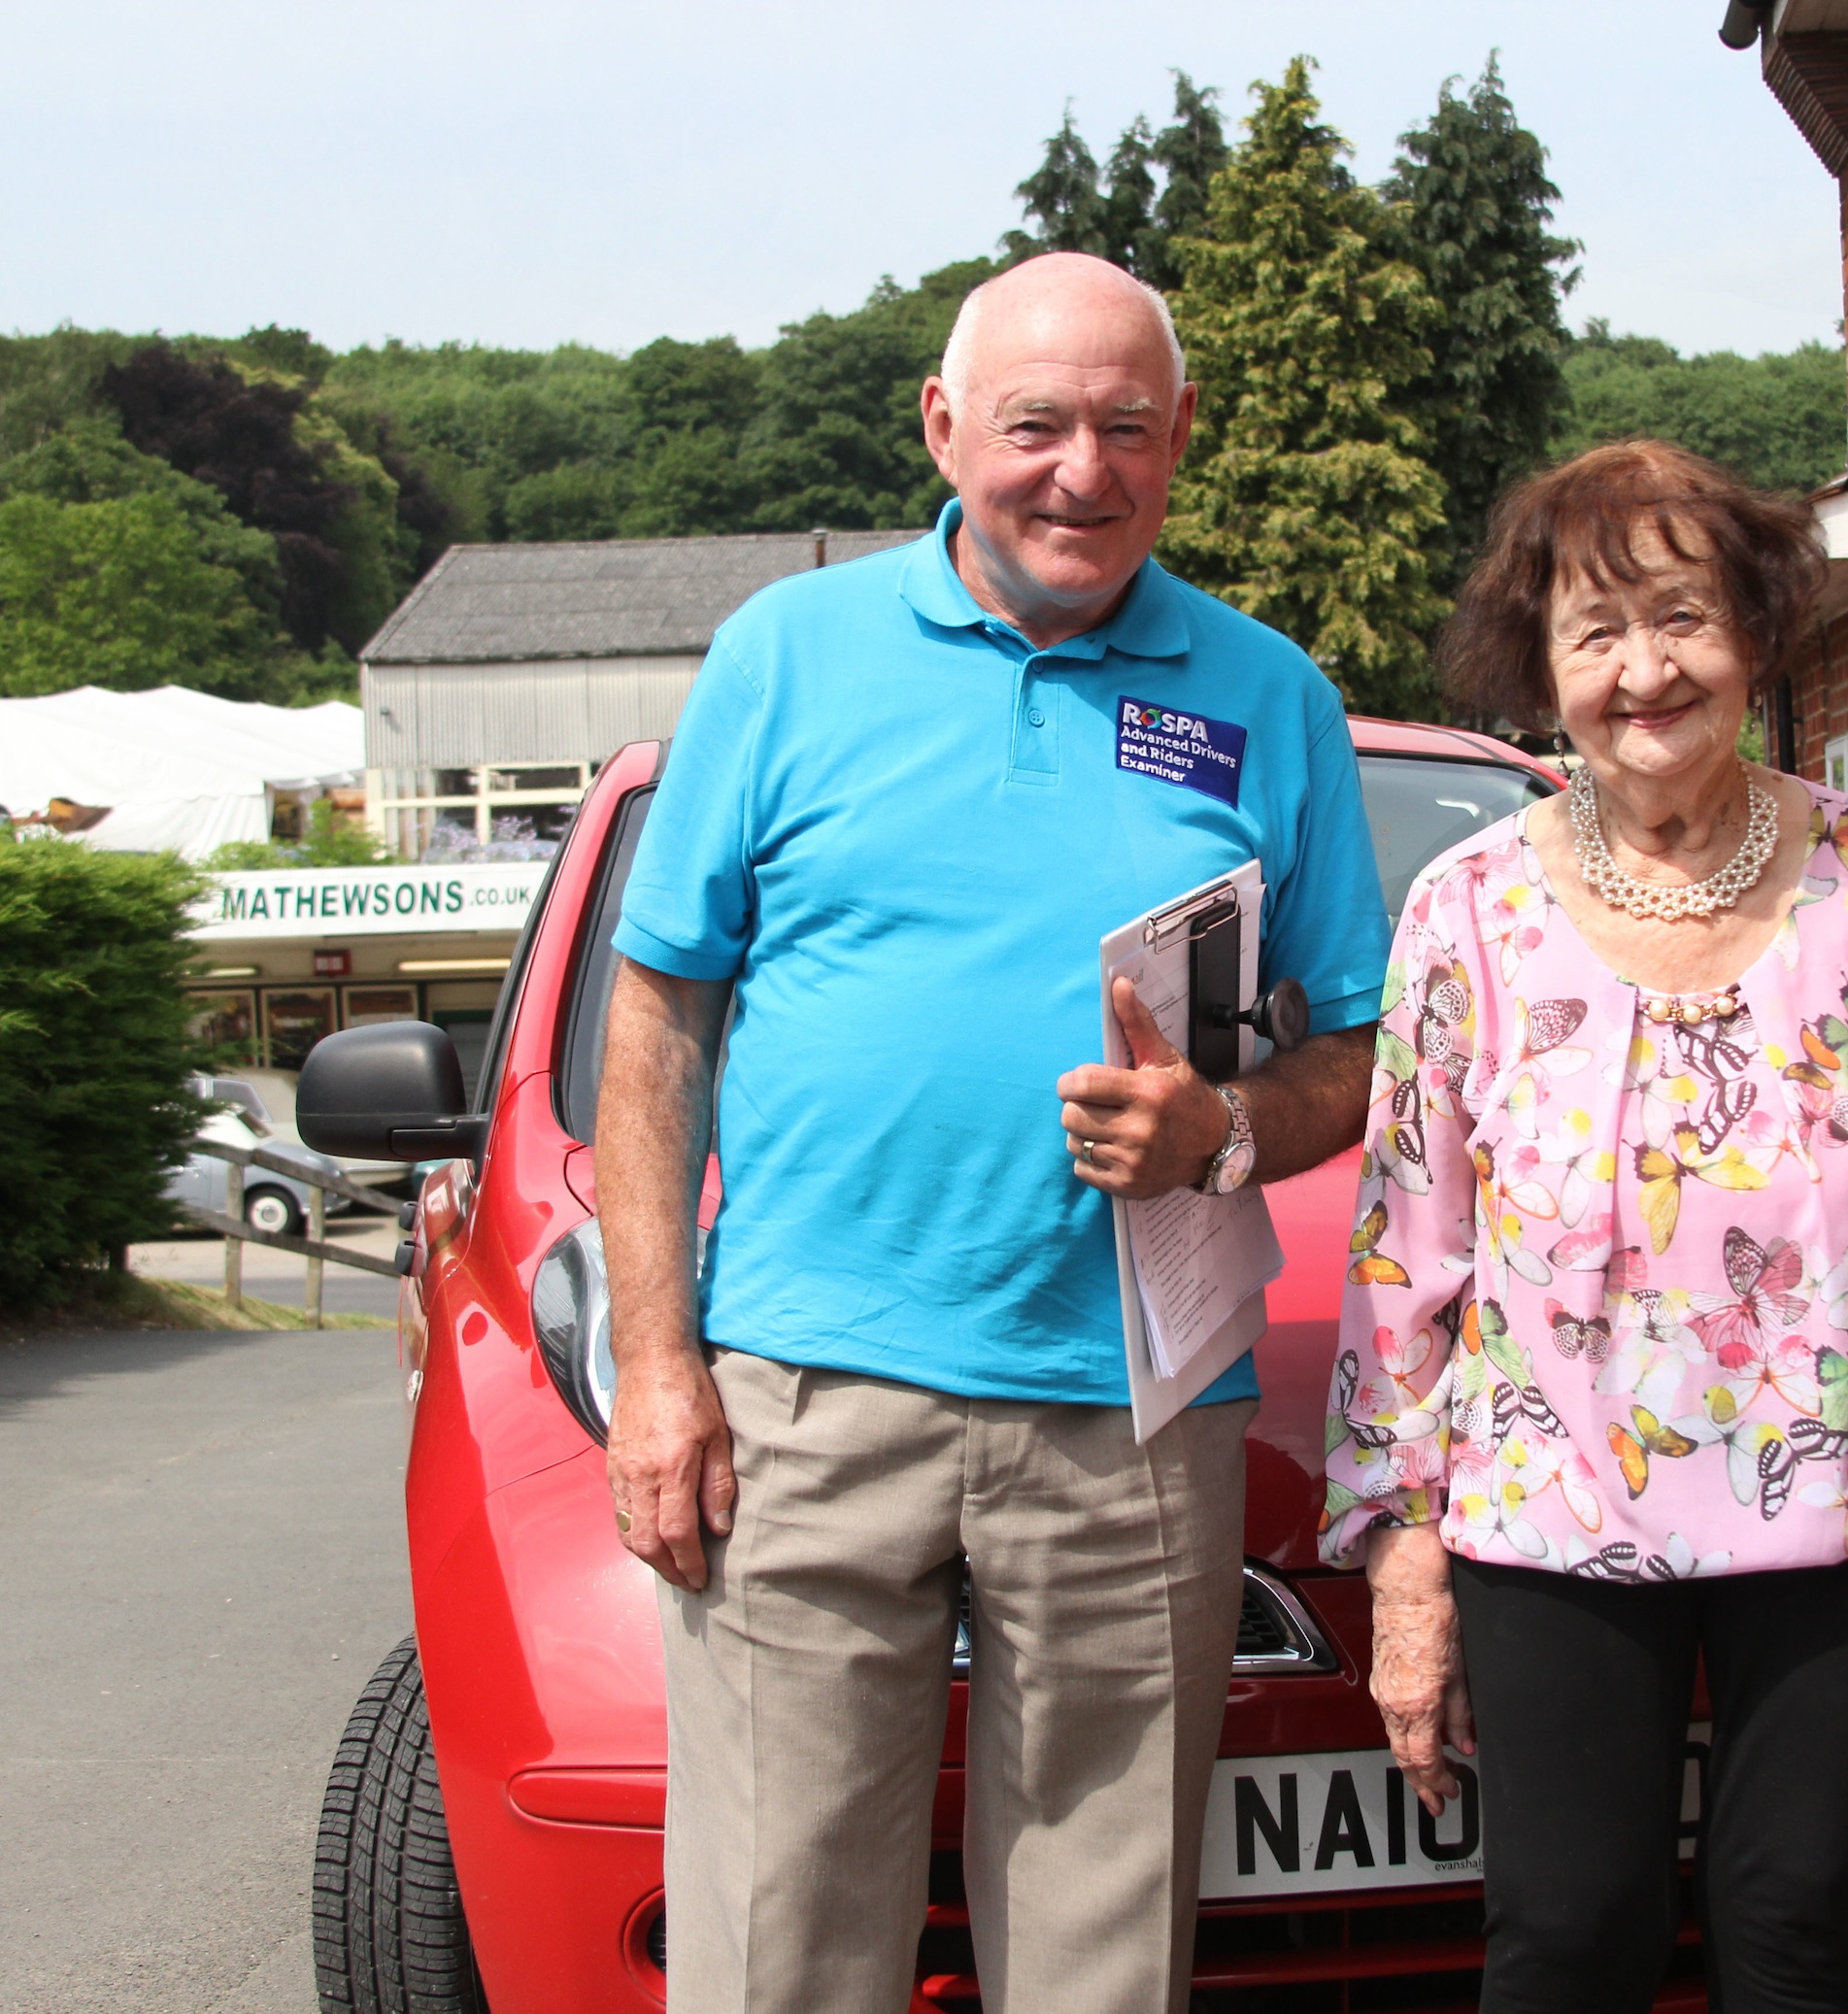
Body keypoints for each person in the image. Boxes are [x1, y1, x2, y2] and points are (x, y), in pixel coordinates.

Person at [593, 252, 1391, 2014]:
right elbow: (656, 1020)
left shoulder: (1271, 695)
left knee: (1104, 1969)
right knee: (775, 1949)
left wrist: (1230, 1125)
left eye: (1126, 427)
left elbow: (1363, 1046)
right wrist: (657, 1361)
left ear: (1181, 440)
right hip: (804, 1397)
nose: (1080, 472)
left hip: (1131, 1412)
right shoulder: (784, 657)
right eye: (1035, 424)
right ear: (945, 429)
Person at [1322, 440, 1848, 2014]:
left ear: (1760, 628)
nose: (1644, 671)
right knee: (1568, 1932)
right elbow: (1406, 1250)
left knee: (1795, 1927)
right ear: (1541, 664)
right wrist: (1406, 1554)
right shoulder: (1467, 908)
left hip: (1847, 1500)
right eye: (1597, 631)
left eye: (1683, 616)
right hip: (1552, 1513)